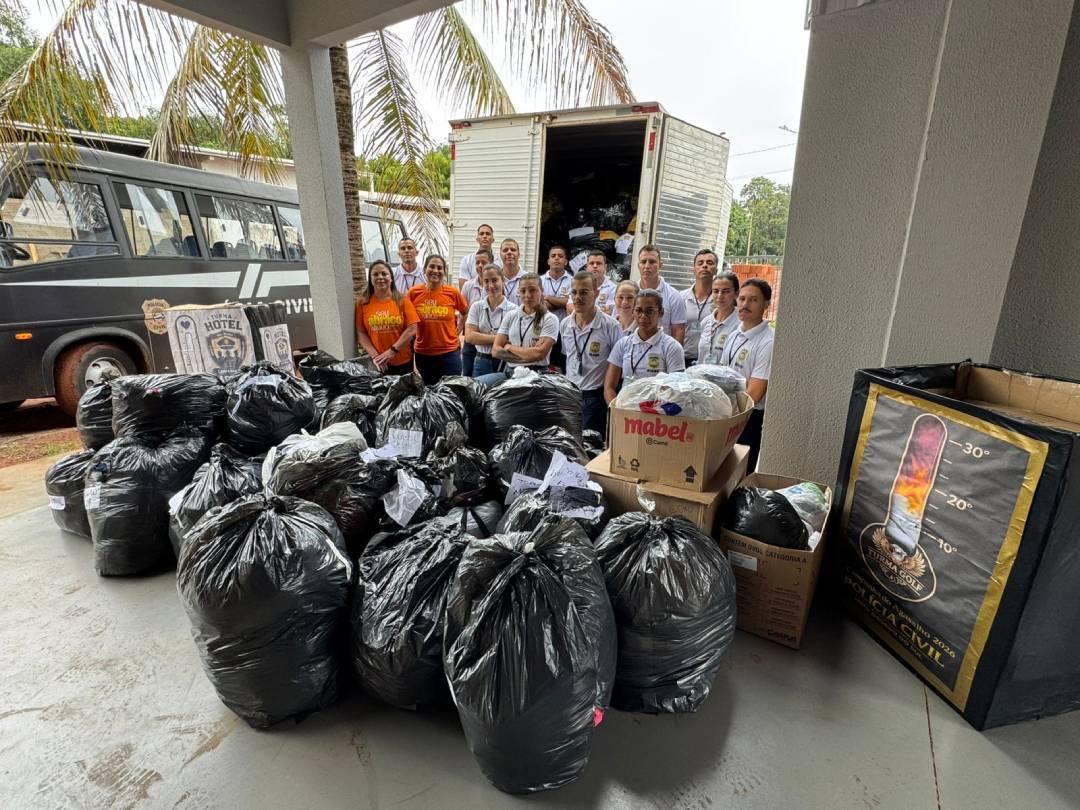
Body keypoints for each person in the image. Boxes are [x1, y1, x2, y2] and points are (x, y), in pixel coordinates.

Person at [723, 278, 775, 472]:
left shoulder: (768, 342)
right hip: (728, 413)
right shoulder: (734, 334)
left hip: (748, 418)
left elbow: (756, 392)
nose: (744, 304)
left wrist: (732, 416)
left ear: (766, 305)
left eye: (753, 300)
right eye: (742, 299)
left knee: (740, 475)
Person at [562, 270, 622, 435]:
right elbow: (566, 357)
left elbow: (618, 365)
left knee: (590, 448)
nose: (577, 297)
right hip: (571, 396)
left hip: (595, 398)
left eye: (584, 292)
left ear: (596, 293)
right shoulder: (565, 324)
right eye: (574, 292)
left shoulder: (611, 326)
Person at [475, 272, 559, 386]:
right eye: (523, 291)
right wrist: (527, 356)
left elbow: (539, 353)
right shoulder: (511, 315)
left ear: (542, 290)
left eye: (532, 290)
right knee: (475, 385)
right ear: (518, 292)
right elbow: (495, 351)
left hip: (537, 374)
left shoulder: (550, 319)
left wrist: (509, 347)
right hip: (511, 372)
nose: (528, 295)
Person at [604, 289, 686, 403]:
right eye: (638, 310)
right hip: (625, 410)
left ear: (661, 312)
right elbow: (609, 387)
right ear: (633, 312)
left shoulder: (672, 347)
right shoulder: (623, 344)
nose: (643, 316)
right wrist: (616, 408)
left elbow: (676, 390)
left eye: (649, 311)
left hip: (656, 414)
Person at [407, 254, 470, 384]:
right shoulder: (413, 293)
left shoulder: (452, 293)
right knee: (429, 391)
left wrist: (457, 331)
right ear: (424, 269)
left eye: (440, 268)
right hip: (424, 354)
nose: (435, 270)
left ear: (444, 273)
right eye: (432, 266)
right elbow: (407, 321)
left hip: (449, 353)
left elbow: (465, 312)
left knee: (451, 390)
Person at [354, 260, 419, 375]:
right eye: (375, 274)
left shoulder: (402, 300)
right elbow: (361, 332)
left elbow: (412, 328)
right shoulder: (363, 303)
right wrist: (376, 356)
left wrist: (392, 351)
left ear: (391, 278)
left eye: (384, 274)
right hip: (378, 364)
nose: (380, 277)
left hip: (402, 362)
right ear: (371, 279)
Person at [465, 264, 517, 378]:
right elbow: (469, 337)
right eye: (486, 281)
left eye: (494, 280)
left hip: (504, 361)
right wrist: (501, 339)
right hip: (481, 360)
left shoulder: (513, 310)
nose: (491, 285)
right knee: (480, 394)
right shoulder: (476, 307)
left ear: (502, 280)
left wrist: (481, 337)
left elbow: (514, 340)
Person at [636, 244, 687, 343]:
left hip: (660, 355)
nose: (647, 266)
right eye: (643, 262)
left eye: (652, 262)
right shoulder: (630, 293)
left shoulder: (674, 296)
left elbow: (678, 332)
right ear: (638, 265)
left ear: (660, 265)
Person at [681, 249, 719, 364]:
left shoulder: (720, 300)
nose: (705, 266)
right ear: (694, 269)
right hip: (684, 358)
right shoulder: (681, 297)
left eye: (709, 263)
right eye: (700, 263)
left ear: (716, 270)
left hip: (709, 361)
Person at [459, 248, 492, 376]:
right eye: (477, 263)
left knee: (483, 376)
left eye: (483, 262)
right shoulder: (468, 286)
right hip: (471, 336)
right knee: (466, 373)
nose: (480, 266)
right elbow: (462, 311)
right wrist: (457, 332)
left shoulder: (495, 285)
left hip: (487, 337)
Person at [699, 271, 741, 364]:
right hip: (700, 377)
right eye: (716, 291)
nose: (720, 296)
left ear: (736, 293)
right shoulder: (706, 322)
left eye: (726, 291)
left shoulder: (741, 325)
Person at [542, 244, 572, 371]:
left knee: (563, 367)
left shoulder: (573, 281)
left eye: (560, 256)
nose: (556, 258)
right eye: (553, 256)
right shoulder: (540, 280)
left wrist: (548, 298)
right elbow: (540, 305)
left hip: (565, 331)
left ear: (566, 261)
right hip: (544, 331)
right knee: (546, 367)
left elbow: (571, 302)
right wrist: (562, 302)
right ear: (548, 260)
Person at [457, 223, 500, 289]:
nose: (485, 236)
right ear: (477, 239)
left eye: (488, 234)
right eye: (481, 234)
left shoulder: (500, 260)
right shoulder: (467, 260)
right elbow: (463, 288)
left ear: (493, 239)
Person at [587, 250, 618, 315]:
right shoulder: (580, 285)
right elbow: (570, 307)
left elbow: (608, 312)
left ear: (605, 267)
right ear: (587, 266)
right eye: (592, 263)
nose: (595, 266)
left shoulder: (613, 289)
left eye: (598, 263)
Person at [500, 238, 524, 306]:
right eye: (505, 250)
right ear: (500, 255)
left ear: (519, 254)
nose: (509, 252)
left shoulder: (528, 278)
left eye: (513, 250)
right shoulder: (494, 279)